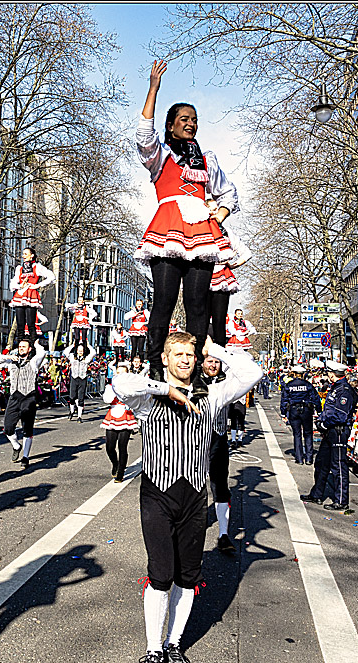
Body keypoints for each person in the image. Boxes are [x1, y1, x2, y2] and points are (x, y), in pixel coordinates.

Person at [112, 332, 261, 663]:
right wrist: (167, 389)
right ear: (164, 359)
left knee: (187, 577)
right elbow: (119, 383)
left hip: (194, 494)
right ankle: (153, 650)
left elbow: (252, 373)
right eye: (176, 354)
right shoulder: (150, 397)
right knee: (160, 575)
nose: (184, 360)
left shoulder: (212, 394)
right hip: (157, 494)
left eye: (190, 355)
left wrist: (215, 349)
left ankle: (174, 643)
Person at [135, 60, 239, 391]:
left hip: (201, 233)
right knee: (164, 300)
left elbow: (229, 193)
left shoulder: (206, 159)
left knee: (198, 306)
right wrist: (153, 89)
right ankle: (155, 364)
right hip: (167, 228)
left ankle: (194, 374)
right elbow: (143, 134)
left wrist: (218, 216)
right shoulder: (160, 156)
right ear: (171, 125)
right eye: (184, 119)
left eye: (194, 120)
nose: (191, 124)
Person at [301, 360, 358, 511]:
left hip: (338, 430)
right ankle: (317, 494)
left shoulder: (344, 390)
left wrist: (324, 424)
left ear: (332, 374)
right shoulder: (336, 387)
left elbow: (340, 415)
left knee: (338, 465)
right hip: (330, 430)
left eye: (328, 373)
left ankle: (341, 500)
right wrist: (322, 421)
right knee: (321, 463)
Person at [0, 337, 47, 467]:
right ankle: (16, 446)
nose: (21, 348)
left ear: (29, 349)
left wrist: (37, 345)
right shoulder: (12, 361)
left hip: (29, 397)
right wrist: (9, 357)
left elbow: (43, 353)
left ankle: (25, 457)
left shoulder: (34, 362)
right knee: (8, 427)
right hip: (14, 397)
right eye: (20, 346)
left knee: (27, 429)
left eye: (24, 346)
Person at [202, 353, 236, 554]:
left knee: (220, 484)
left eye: (217, 362)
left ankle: (224, 534)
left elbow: (247, 371)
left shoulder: (228, 380)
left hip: (220, 436)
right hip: (197, 438)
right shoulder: (194, 378)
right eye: (210, 361)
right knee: (193, 483)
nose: (214, 365)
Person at [101, 359, 138, 482]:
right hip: (113, 415)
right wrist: (115, 389)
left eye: (122, 373)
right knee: (109, 447)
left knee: (122, 447)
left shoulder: (131, 388)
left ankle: (120, 473)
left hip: (126, 416)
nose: (119, 375)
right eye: (117, 372)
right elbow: (106, 399)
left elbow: (136, 402)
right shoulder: (110, 387)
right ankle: (115, 464)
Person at [8, 247, 55, 340]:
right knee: (20, 325)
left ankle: (32, 347)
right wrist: (20, 286)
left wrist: (38, 285)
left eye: (25, 254)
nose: (23, 256)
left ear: (32, 255)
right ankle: (20, 348)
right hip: (20, 296)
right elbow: (12, 284)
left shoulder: (37, 267)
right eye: (23, 254)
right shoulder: (20, 268)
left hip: (31, 295)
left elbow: (51, 276)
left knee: (30, 324)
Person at [280, 365, 321, 465]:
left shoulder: (289, 385)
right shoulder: (307, 384)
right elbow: (315, 398)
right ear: (303, 374)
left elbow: (284, 400)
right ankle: (309, 458)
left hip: (294, 410)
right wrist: (319, 411)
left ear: (294, 374)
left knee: (297, 434)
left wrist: (283, 413)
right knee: (308, 433)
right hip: (306, 410)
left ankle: (299, 458)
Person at [64, 342, 96, 422]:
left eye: (82, 350)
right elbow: (65, 352)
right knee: (72, 397)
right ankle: (71, 411)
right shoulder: (72, 357)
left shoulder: (87, 358)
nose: (80, 352)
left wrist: (88, 345)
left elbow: (94, 352)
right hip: (74, 378)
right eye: (79, 350)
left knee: (80, 398)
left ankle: (79, 416)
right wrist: (72, 345)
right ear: (77, 350)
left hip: (82, 379)